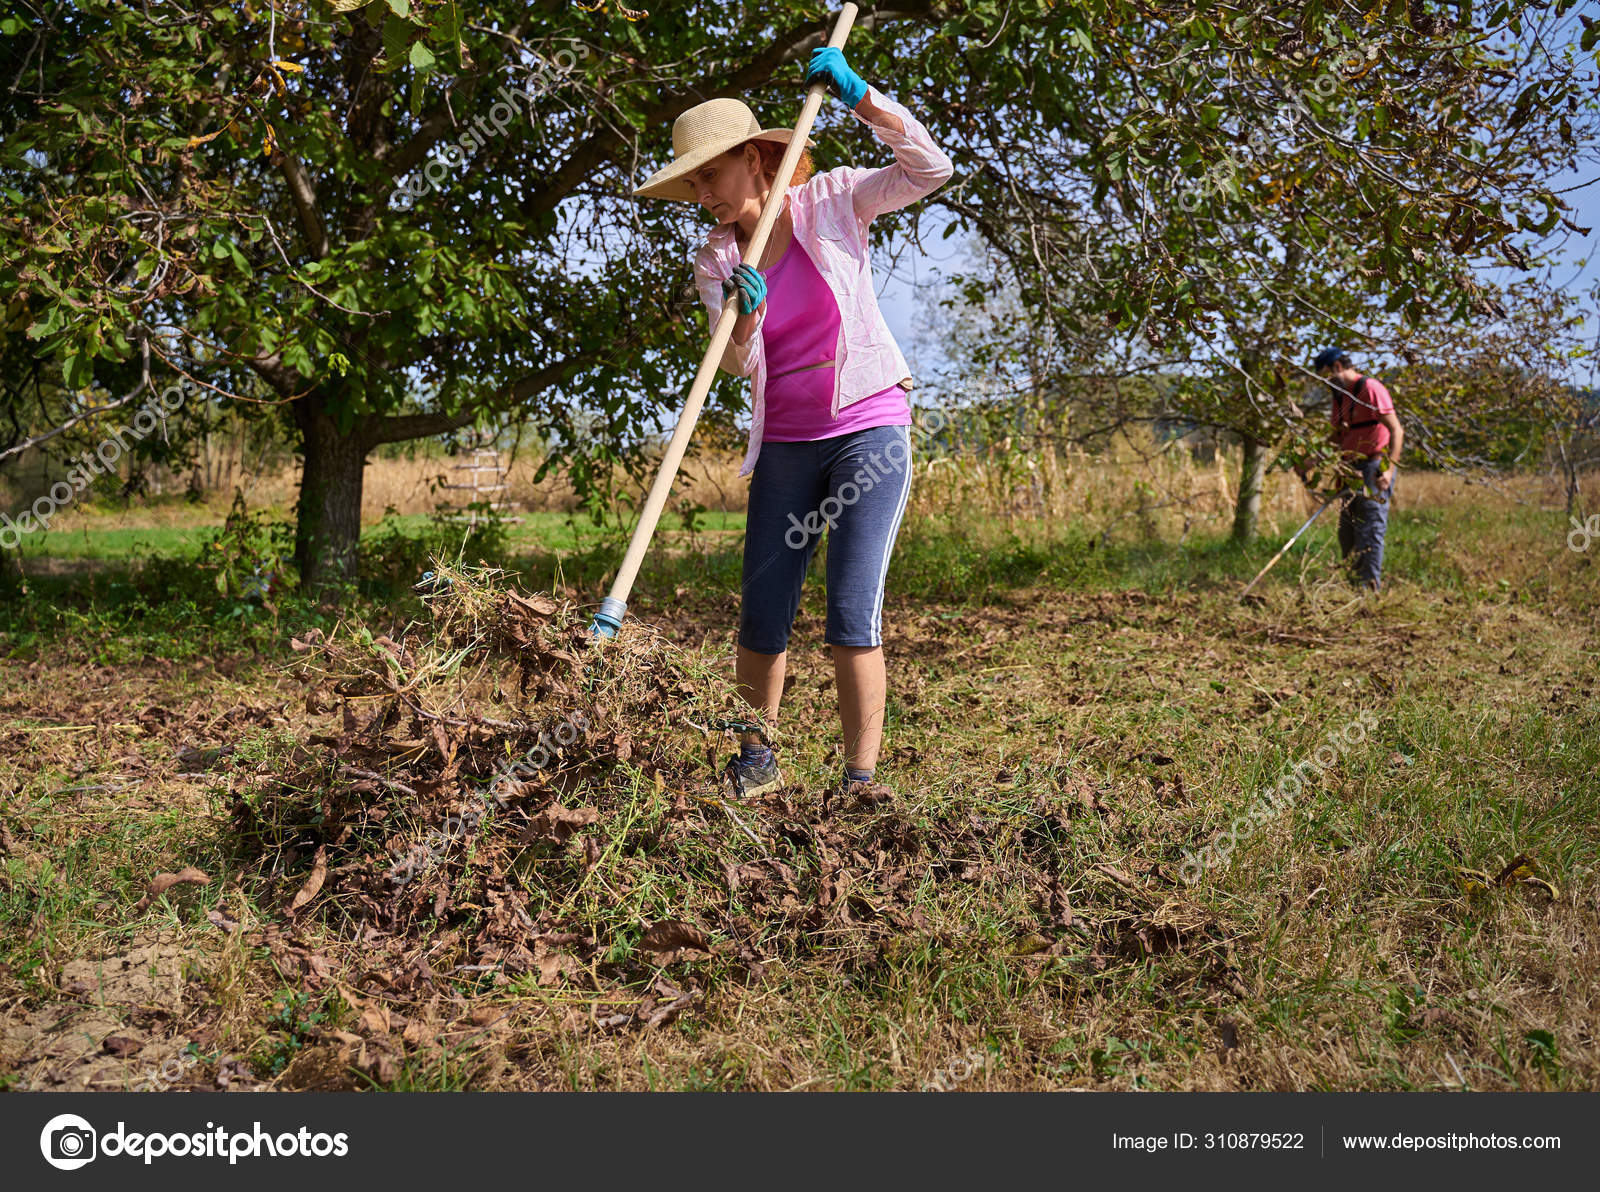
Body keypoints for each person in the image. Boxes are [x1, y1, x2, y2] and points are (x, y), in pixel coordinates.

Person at [632, 47, 953, 802]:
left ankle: (860, 781)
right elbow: (737, 365)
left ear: (753, 158)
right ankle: (757, 758)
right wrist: (746, 318)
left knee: (851, 607)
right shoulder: (717, 261)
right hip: (784, 442)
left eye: (711, 174)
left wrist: (863, 99)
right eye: (692, 184)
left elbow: (929, 170)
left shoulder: (834, 201)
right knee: (764, 605)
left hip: (867, 428)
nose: (703, 193)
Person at [1301, 347, 1405, 593]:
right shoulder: (1339, 396)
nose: (1325, 381)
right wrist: (1309, 462)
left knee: (1370, 531)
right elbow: (1337, 438)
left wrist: (1388, 470)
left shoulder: (1370, 388)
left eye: (1325, 374)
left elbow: (1396, 431)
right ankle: (1351, 589)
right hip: (1348, 470)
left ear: (1337, 367)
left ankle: (1369, 593)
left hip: (1373, 466)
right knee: (1347, 534)